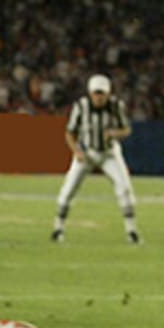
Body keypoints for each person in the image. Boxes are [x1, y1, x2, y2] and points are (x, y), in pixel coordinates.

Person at [51, 73, 141, 244]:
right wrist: (76, 151)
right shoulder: (81, 106)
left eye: (102, 93)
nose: (99, 97)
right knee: (68, 189)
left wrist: (115, 133)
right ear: (90, 93)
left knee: (124, 189)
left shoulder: (115, 106)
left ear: (108, 94)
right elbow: (69, 132)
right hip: (87, 153)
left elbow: (126, 129)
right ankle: (58, 229)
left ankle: (131, 231)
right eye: (96, 93)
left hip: (109, 153)